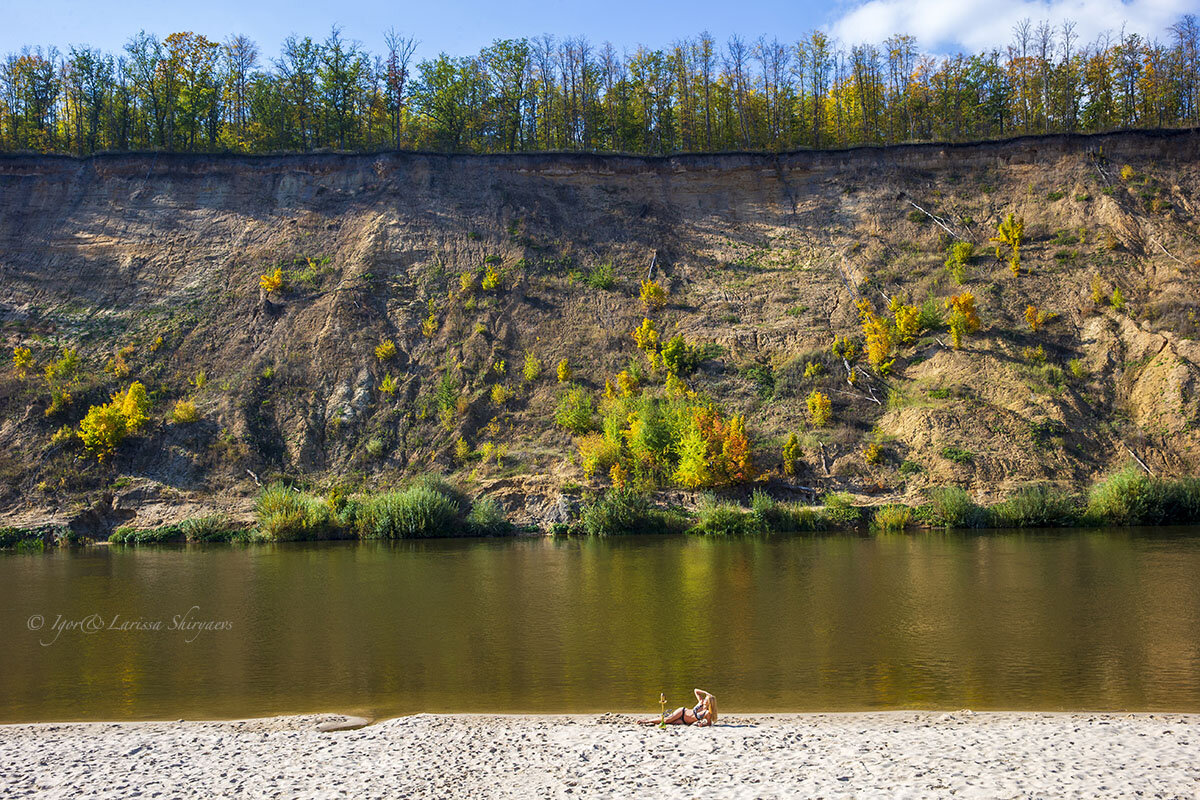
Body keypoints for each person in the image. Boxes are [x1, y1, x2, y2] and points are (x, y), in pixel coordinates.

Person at [639, 689, 717, 727]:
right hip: (682, 712)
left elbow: (709, 724)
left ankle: (651, 721)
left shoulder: (707, 713)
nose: (704, 700)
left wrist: (702, 725)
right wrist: (706, 693)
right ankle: (646, 721)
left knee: (669, 722)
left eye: (706, 699)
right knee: (667, 720)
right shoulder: (700, 702)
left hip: (685, 722)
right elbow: (695, 690)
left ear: (709, 702)